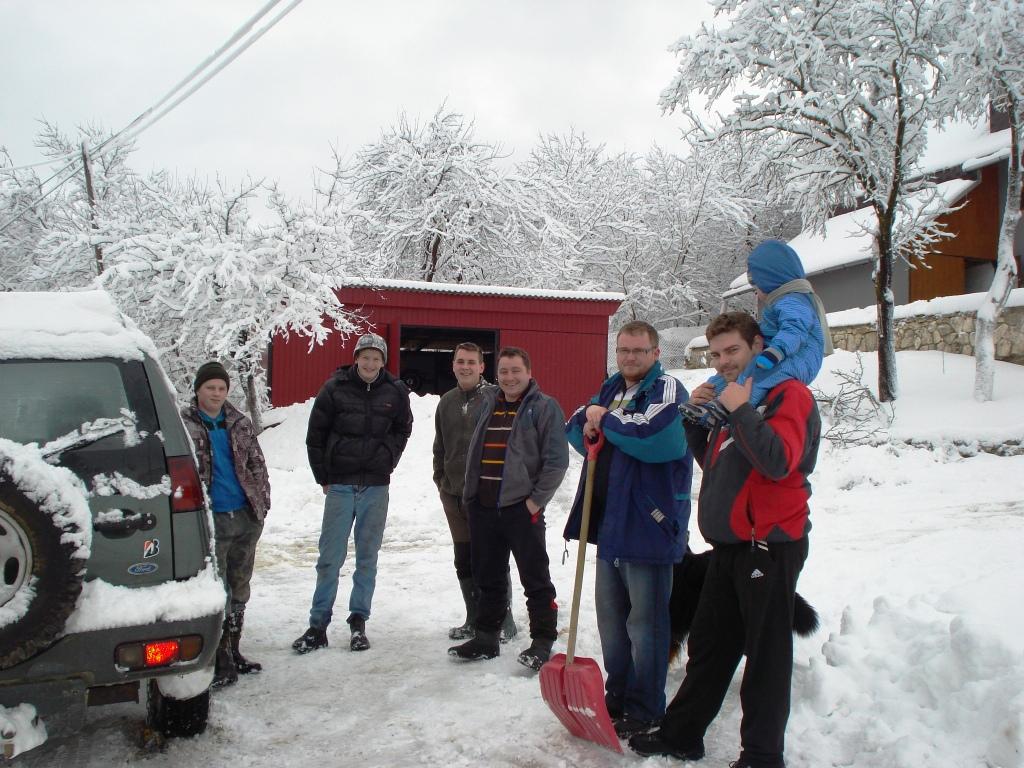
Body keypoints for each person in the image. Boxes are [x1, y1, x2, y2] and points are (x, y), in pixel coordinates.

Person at [629, 311, 821, 768]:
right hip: (729, 547)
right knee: (709, 646)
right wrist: (697, 423)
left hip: (768, 546)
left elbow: (777, 461)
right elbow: (720, 466)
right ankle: (681, 735)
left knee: (766, 657)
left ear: (758, 346)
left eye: (732, 350)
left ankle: (762, 756)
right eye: (715, 355)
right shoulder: (736, 397)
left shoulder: (787, 395)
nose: (723, 362)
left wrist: (740, 410)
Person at [563, 320, 693, 738]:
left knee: (646, 625)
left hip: (650, 526)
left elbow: (659, 437)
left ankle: (645, 707)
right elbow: (575, 426)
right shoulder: (611, 389)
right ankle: (617, 696)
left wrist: (606, 422)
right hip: (610, 525)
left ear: (656, 353)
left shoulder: (668, 389)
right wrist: (593, 420)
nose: (630, 357)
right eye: (623, 350)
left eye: (639, 350)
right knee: (613, 624)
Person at [447, 346, 569, 671]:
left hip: (521, 509)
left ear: (529, 372)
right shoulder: (489, 403)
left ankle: (542, 640)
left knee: (535, 578)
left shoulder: (544, 407)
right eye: (503, 371)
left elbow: (557, 462)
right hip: (484, 507)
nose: (509, 377)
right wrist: (472, 498)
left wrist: (534, 502)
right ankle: (487, 637)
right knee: (488, 576)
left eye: (516, 371)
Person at [292, 333, 413, 654]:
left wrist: (388, 456)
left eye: (377, 358)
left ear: (383, 361)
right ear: (356, 358)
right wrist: (323, 476)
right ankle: (318, 625)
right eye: (365, 357)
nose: (370, 363)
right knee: (329, 558)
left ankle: (358, 622)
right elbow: (315, 435)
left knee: (367, 557)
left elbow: (403, 428)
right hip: (341, 485)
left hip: (376, 485)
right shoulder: (334, 389)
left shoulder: (395, 392)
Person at [181, 361, 271, 688]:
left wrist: (262, 502)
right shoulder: (184, 426)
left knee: (240, 586)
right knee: (218, 590)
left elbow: (257, 464)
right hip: (210, 518)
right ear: (198, 390)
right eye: (210, 388)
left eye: (221, 388)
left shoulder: (239, 423)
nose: (216, 394)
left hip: (245, 516)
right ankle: (219, 658)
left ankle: (234, 650)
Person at [682, 239, 831, 427]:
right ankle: (708, 407)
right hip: (779, 355)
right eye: (716, 355)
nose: (755, 291)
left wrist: (776, 351)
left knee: (757, 379)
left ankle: (727, 410)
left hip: (796, 358)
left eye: (756, 284)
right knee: (730, 378)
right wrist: (697, 408)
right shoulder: (780, 302)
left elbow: (794, 329)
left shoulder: (793, 301)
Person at [432, 342, 518, 642]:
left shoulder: (495, 398)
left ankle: (504, 620)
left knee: (492, 560)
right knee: (464, 559)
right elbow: (440, 447)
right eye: (461, 361)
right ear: (453, 365)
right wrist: (441, 480)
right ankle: (474, 618)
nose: (465, 367)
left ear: (482, 367)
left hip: (486, 496)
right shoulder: (446, 402)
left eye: (472, 362)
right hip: (453, 495)